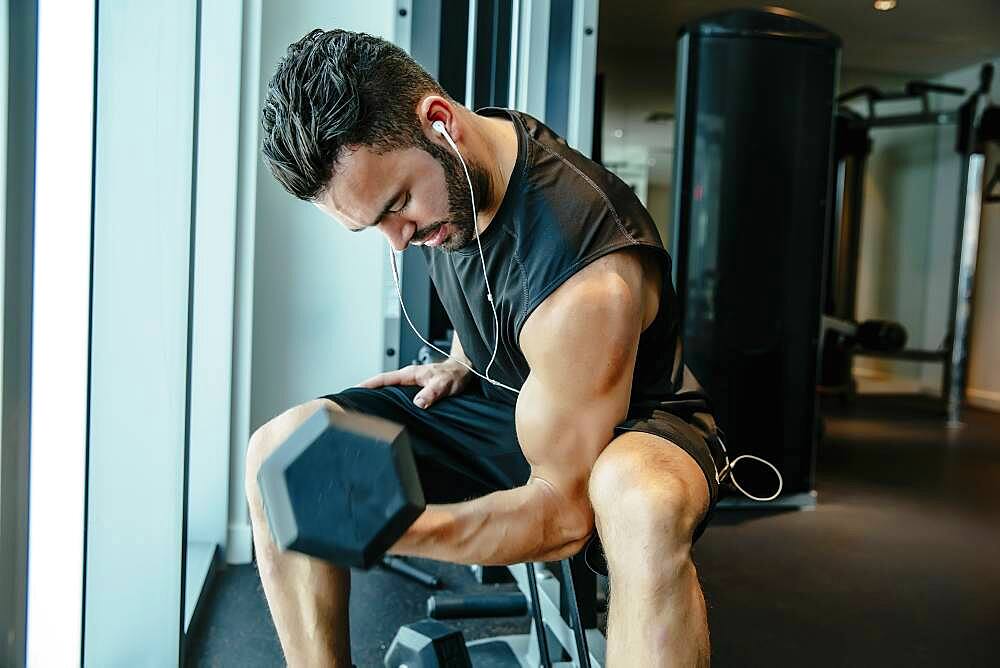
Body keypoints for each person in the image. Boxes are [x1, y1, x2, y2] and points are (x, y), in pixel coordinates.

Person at [246, 28, 725, 667]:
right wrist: (462, 359)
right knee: (286, 449)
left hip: (625, 429)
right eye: (375, 226)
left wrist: (396, 528)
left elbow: (564, 515)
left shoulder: (588, 277)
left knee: (638, 501)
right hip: (518, 398)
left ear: (439, 122)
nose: (398, 240)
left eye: (398, 206)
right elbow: (501, 286)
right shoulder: (468, 166)